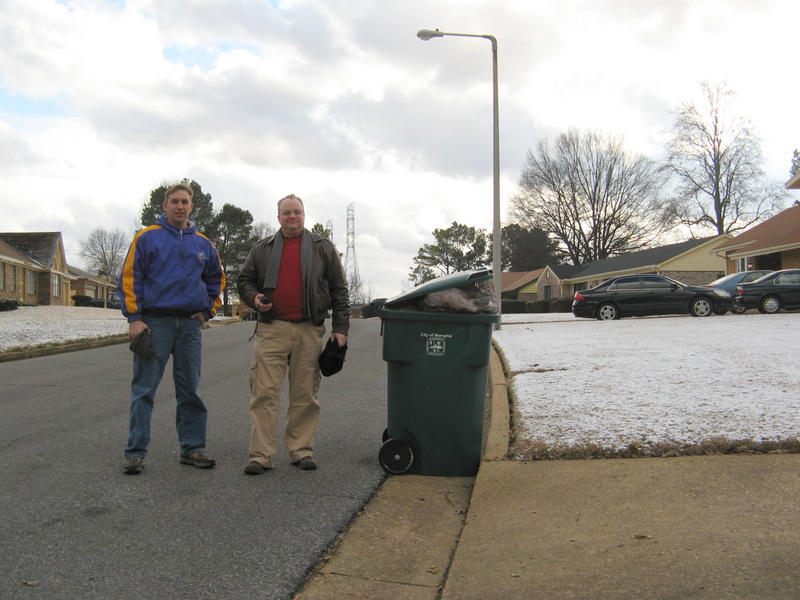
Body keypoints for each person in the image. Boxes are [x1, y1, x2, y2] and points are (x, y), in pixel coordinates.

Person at [118, 183, 226, 475]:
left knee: (189, 389)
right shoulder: (146, 238)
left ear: (192, 207)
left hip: (189, 326)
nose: (180, 206)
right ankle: (136, 453)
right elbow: (130, 278)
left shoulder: (203, 244)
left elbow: (217, 280)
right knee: (144, 390)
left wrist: (207, 311)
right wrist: (134, 318)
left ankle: (192, 449)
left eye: (185, 202)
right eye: (175, 201)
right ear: (164, 206)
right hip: (154, 324)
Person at [237, 194, 350, 475]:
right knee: (264, 393)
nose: (292, 217)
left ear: (304, 215)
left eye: (297, 212)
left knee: (304, 394)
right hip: (271, 329)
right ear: (278, 217)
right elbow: (244, 280)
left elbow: (339, 290)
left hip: (309, 329)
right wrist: (255, 299)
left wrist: (341, 329)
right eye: (286, 212)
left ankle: (301, 450)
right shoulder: (262, 248)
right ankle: (261, 455)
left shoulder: (322, 248)